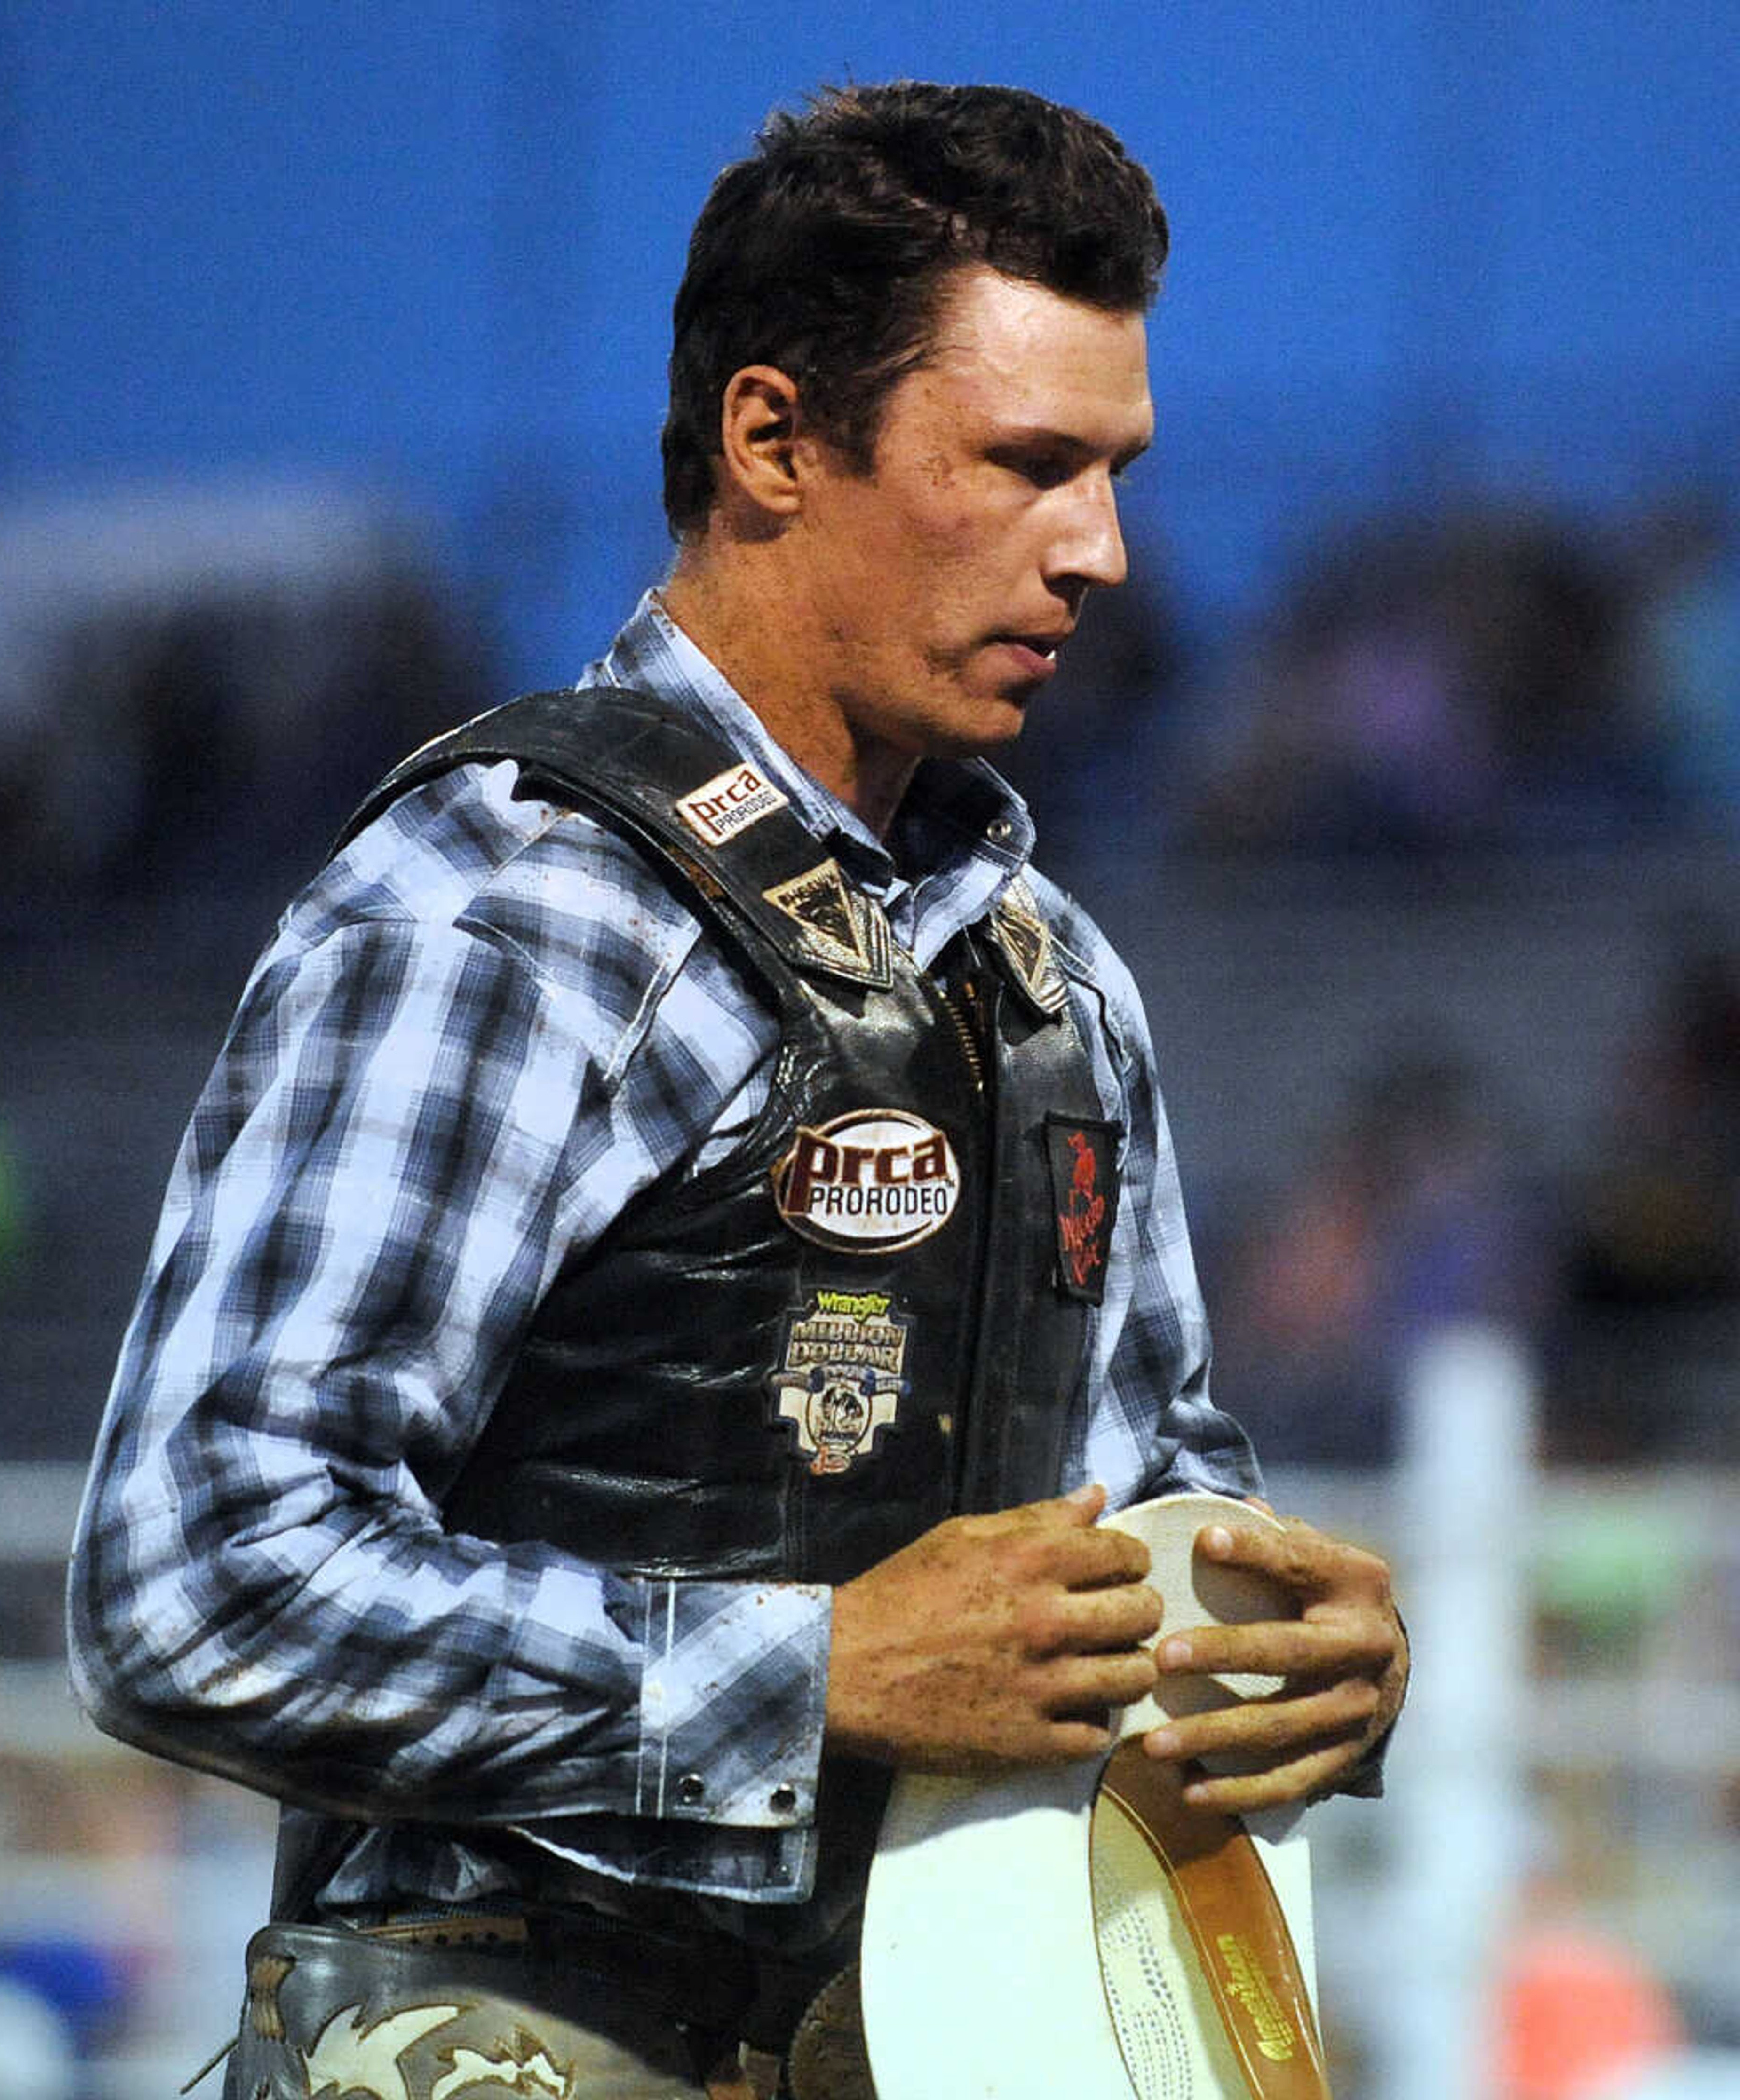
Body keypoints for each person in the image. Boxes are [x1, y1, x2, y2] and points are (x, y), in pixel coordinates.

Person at [68, 82, 1408, 2100]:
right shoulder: (505, 911)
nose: (1106, 551)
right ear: (775, 438)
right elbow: (198, 1573)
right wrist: (822, 1675)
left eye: (1116, 472)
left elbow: (1147, 1503)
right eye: (1031, 464)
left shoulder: (1059, 985)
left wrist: (1275, 1651)